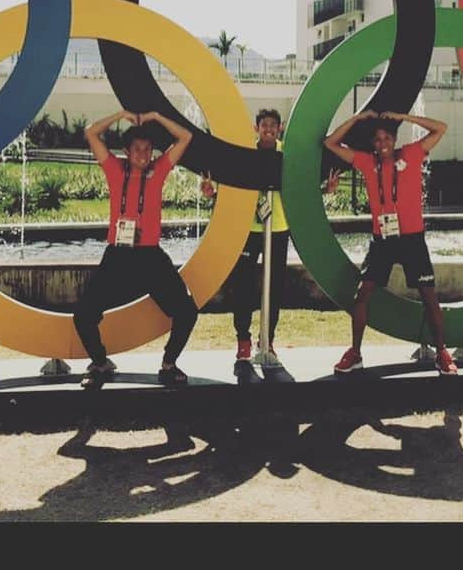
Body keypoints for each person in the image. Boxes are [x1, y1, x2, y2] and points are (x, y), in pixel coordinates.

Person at [323, 108, 458, 376]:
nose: (382, 143)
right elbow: (330, 143)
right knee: (361, 295)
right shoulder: (366, 162)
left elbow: (441, 126)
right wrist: (357, 119)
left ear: (395, 139)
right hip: (382, 240)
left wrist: (405, 118)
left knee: (429, 297)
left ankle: (442, 352)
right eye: (377, 139)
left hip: (412, 240)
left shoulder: (411, 153)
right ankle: (355, 353)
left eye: (387, 138)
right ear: (372, 144)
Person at [202, 108, 340, 362]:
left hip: (278, 229)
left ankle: (268, 340)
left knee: (274, 287)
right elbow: (234, 188)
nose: (268, 129)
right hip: (248, 229)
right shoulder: (246, 153)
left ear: (279, 129)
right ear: (256, 128)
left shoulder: (287, 153)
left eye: (273, 126)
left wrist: (325, 190)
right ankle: (243, 339)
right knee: (242, 285)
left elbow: (300, 187)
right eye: (264, 125)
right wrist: (213, 194)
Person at [75, 108, 197, 389]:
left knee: (187, 312)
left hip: (150, 257)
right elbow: (91, 132)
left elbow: (185, 137)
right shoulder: (115, 169)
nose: (143, 153)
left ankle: (169, 364)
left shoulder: (158, 170)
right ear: (127, 152)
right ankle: (100, 362)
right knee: (83, 316)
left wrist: (155, 116)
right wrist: (119, 115)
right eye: (136, 148)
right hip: (118, 254)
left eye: (147, 148)